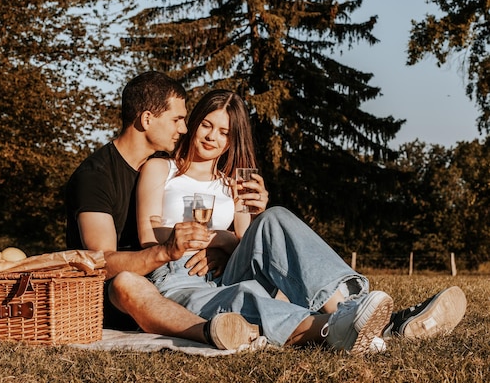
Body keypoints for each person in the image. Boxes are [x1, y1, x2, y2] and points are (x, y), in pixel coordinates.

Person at [135, 89, 468, 354]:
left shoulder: (233, 182)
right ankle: (381, 326)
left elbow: (249, 243)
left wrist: (225, 237)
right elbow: (148, 239)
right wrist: (196, 240)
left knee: (274, 216)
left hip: (226, 268)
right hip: (179, 274)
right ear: (194, 123)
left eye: (224, 131)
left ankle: (352, 308)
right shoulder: (162, 168)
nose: (212, 137)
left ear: (232, 139)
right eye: (207, 125)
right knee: (243, 295)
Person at [66, 71, 261, 350]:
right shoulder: (95, 176)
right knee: (125, 282)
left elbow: (238, 234)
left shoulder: (160, 170)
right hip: (118, 298)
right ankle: (210, 332)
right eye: (177, 120)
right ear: (147, 119)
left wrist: (218, 243)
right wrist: (168, 251)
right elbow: (102, 263)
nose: (184, 128)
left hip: (172, 280)